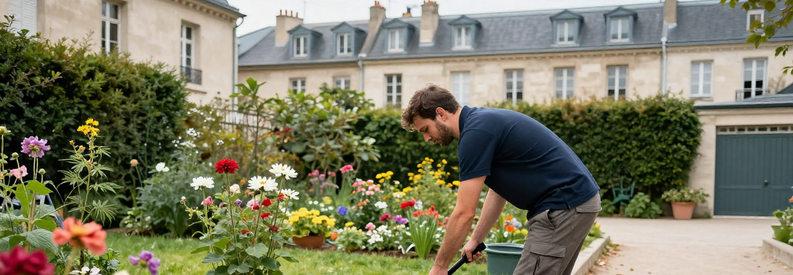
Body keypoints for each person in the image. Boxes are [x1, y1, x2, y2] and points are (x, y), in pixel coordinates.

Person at [400, 84, 601, 275]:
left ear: (441, 114)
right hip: (574, 202)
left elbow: (464, 213)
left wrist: (440, 267)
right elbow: (497, 192)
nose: (427, 138)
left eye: (425, 129)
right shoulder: (480, 124)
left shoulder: (475, 134)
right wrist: (476, 239)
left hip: (563, 205)